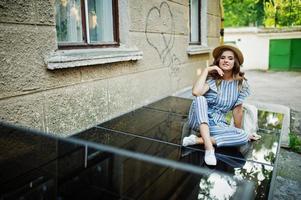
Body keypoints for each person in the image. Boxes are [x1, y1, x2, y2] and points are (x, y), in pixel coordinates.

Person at [182, 44, 261, 166]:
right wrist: (206, 70)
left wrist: (237, 132)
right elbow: (196, 92)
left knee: (243, 137)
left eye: (230, 58)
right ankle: (209, 149)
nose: (226, 60)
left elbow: (237, 110)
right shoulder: (212, 79)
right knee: (200, 99)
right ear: (218, 61)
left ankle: (197, 140)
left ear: (235, 62)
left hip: (217, 123)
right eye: (223, 57)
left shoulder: (240, 84)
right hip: (198, 119)